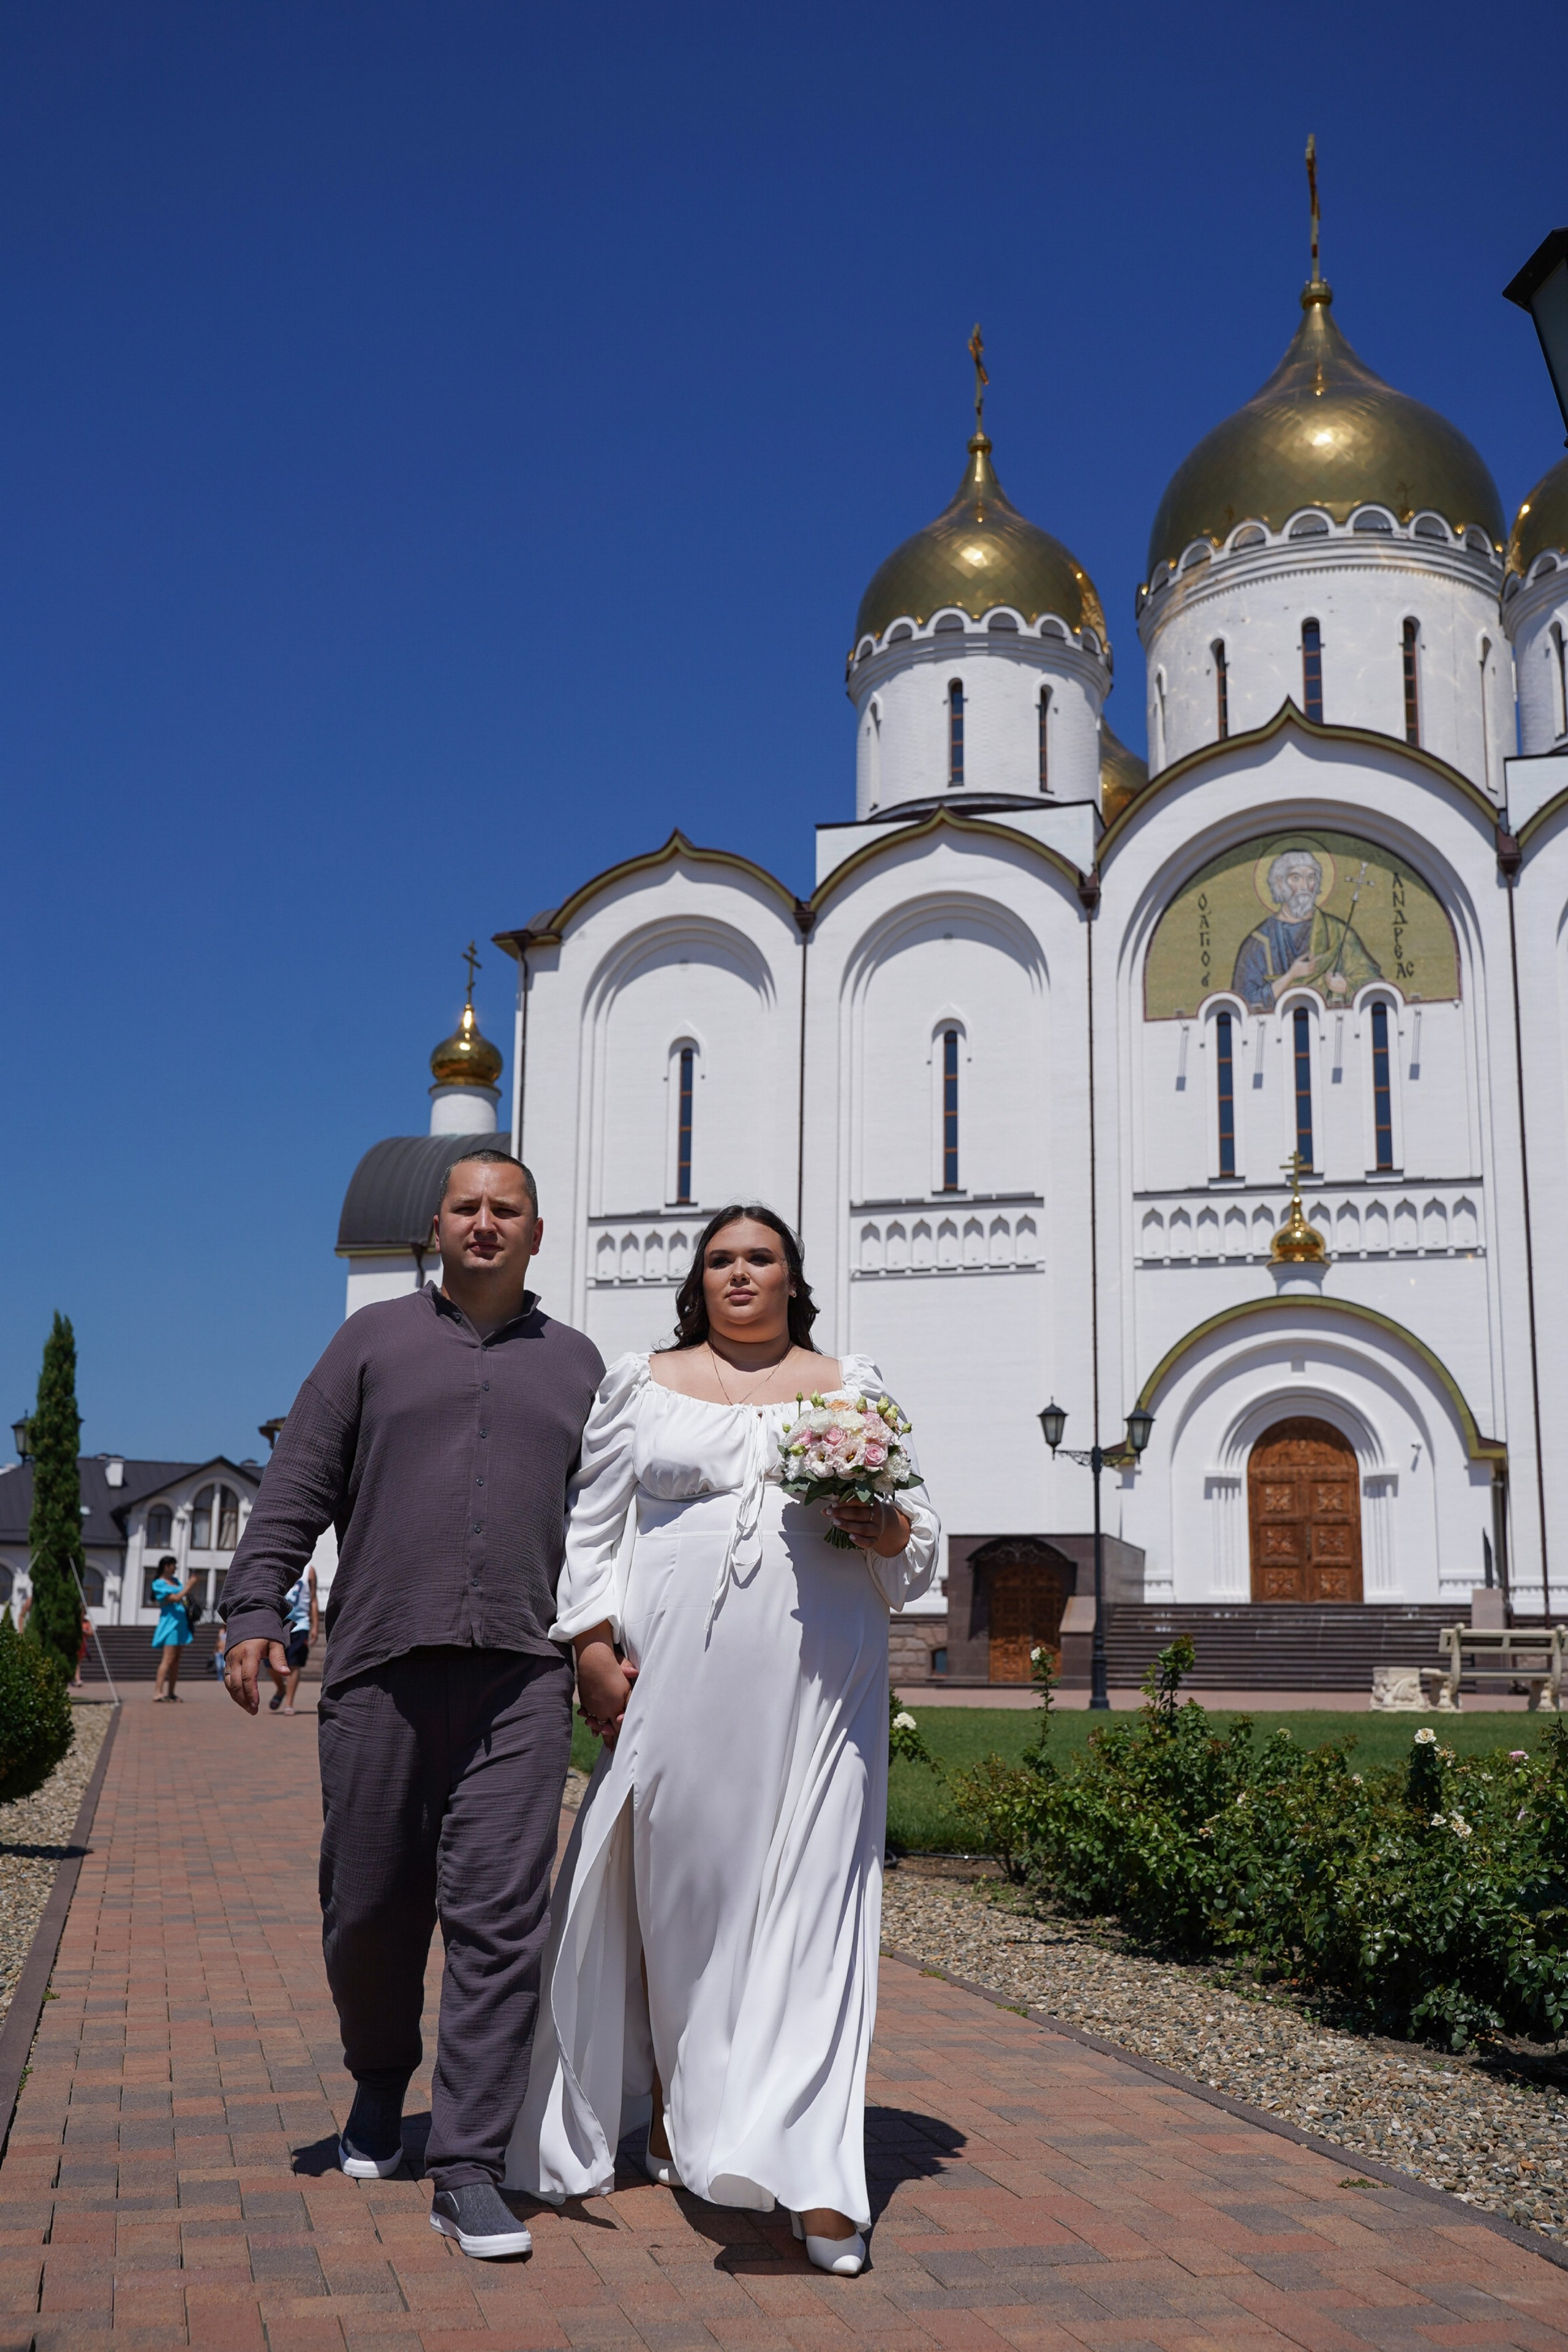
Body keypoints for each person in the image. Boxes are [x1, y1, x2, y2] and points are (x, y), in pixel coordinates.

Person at [505, 1205, 939, 2278]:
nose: (740, 1274)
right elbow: (596, 1524)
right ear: (697, 1283)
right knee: (684, 1902)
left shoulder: (853, 1380)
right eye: (720, 1261)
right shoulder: (640, 1381)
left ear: (794, 1279)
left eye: (762, 1258)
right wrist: (591, 1645)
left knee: (813, 1903)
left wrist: (877, 1521)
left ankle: (818, 2178)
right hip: (680, 1677)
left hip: (821, 1675)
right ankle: (674, 2114)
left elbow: (919, 1535)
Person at [219, 1148, 602, 2263]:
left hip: (522, 1681)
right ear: (436, 1228)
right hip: (382, 1669)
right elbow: (296, 1486)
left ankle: (470, 2164)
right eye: (467, 1208)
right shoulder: (371, 1343)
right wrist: (255, 1611)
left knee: (498, 1922)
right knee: (369, 1907)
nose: (486, 1224)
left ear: (538, 1233)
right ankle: (381, 2083)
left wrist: (609, 1646)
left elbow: (618, 1526)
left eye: (508, 1210)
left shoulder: (577, 1365)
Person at [1232, 847, 1380, 1011]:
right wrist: (1291, 976)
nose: (1305, 886)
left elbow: (1373, 982)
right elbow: (1243, 1003)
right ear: (1280, 883)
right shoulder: (1258, 943)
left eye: (1311, 878)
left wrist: (1347, 986)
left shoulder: (1337, 932)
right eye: (1296, 878)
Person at [270, 1564, 319, 1715]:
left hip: (300, 1624)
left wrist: (315, 1626)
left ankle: (289, 1703)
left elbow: (313, 1599)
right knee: (269, 1664)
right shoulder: (279, 1567)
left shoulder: (309, 1571)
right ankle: (281, 1688)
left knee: (294, 1664)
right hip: (277, 1623)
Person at [151, 1555, 199, 1701]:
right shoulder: (158, 1584)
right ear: (167, 1566)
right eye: (173, 1565)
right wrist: (189, 1586)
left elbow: (184, 1595)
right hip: (170, 1624)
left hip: (181, 1624)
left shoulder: (176, 1582)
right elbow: (176, 1598)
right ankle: (158, 1692)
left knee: (176, 1660)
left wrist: (188, 1587)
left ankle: (171, 1692)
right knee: (168, 1659)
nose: (175, 1568)